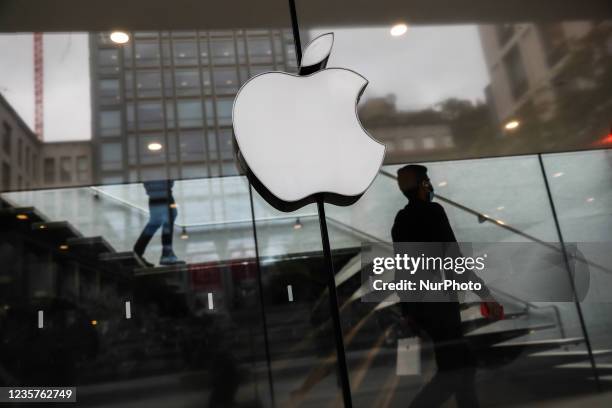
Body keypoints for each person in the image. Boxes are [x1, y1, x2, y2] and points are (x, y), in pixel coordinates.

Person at [391, 164, 503, 408]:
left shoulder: (400, 220)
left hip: (421, 306)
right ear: (423, 185)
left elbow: (402, 269)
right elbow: (454, 259)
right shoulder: (433, 211)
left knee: (463, 364)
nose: (430, 185)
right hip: (439, 304)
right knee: (454, 370)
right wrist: (486, 295)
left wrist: (408, 313)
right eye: (427, 180)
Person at [133, 180, 185, 267]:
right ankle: (166, 254)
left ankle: (138, 253)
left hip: (159, 189)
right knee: (164, 218)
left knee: (161, 219)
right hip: (160, 189)